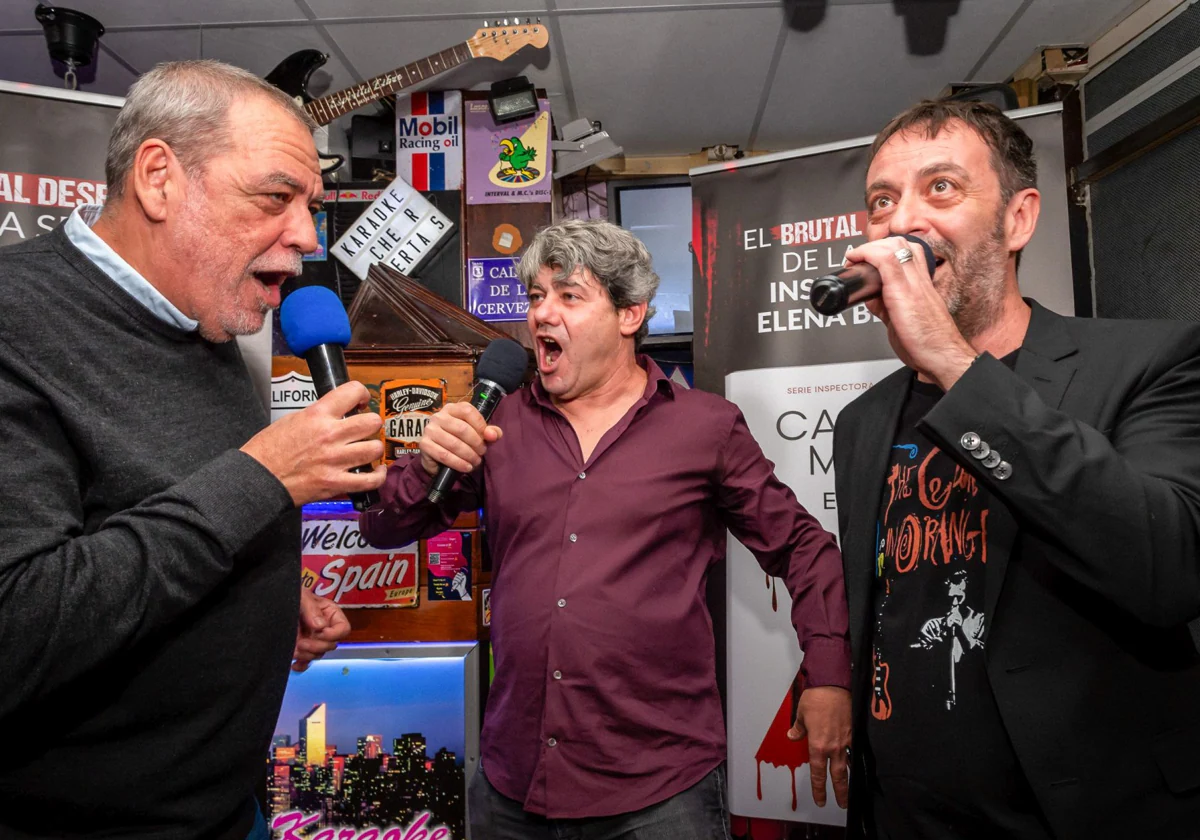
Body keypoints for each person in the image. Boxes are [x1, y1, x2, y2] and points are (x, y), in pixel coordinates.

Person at [361, 219, 853, 838]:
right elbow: (384, 527)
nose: (543, 315)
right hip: (513, 785)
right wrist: (428, 461)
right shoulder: (497, 423)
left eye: (569, 296)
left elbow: (804, 546)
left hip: (659, 793)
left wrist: (829, 675)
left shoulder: (706, 428)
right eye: (536, 296)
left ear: (630, 314)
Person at [0, 60, 386, 839]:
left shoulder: (207, 316)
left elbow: (163, 520)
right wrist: (263, 477)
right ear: (158, 178)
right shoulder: (14, 319)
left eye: (309, 206)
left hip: (230, 812)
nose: (308, 237)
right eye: (276, 197)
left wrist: (268, 603)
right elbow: (17, 629)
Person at [832, 98, 1200, 839]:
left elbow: (1167, 570)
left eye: (941, 188)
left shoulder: (1150, 361)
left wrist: (955, 367)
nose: (902, 222)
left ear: (1018, 220)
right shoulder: (863, 421)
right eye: (882, 201)